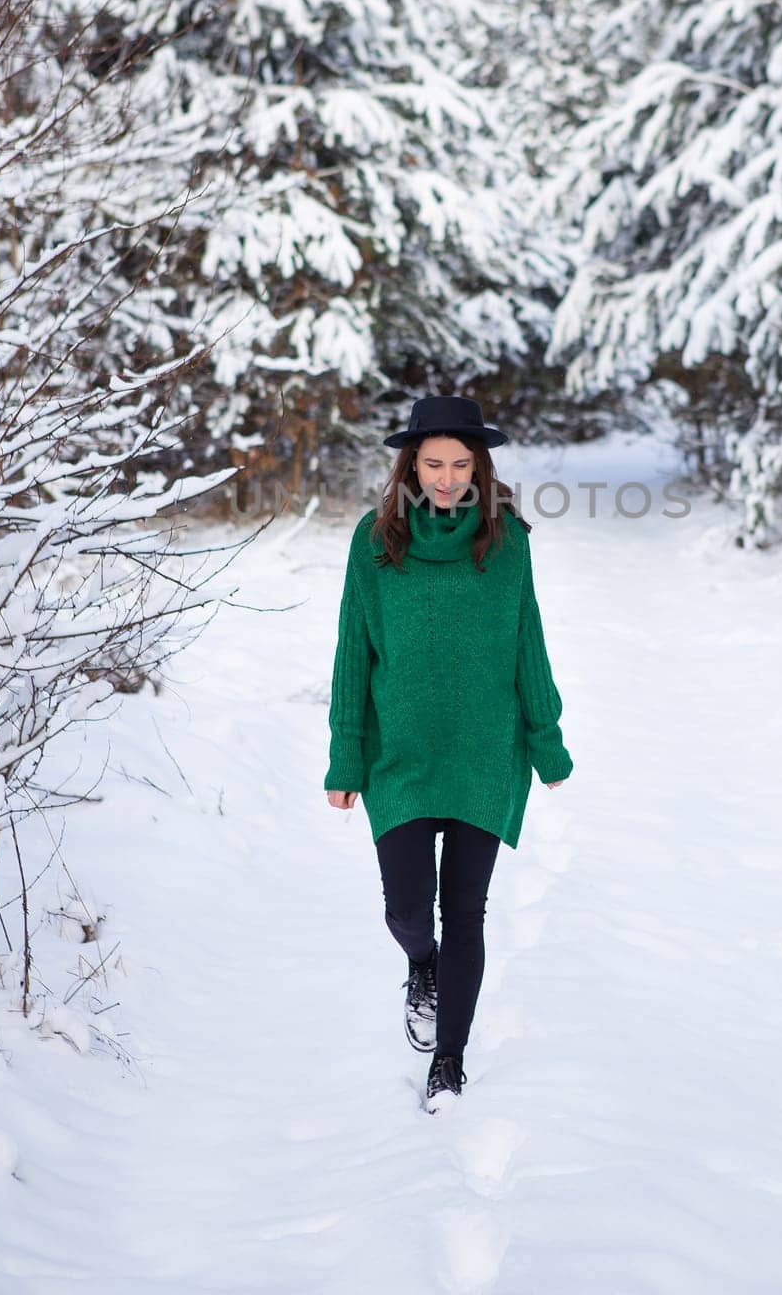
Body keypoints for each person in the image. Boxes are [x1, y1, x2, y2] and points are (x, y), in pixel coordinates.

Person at [324, 394, 574, 1114]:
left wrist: (545, 740)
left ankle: (449, 1062)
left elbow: (527, 642)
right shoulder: (374, 541)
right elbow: (352, 654)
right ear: (409, 465)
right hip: (397, 754)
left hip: (483, 751)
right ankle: (420, 967)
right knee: (408, 909)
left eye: (460, 463)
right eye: (432, 462)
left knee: (465, 912)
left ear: (479, 466)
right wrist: (346, 757)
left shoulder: (506, 543)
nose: (445, 476)